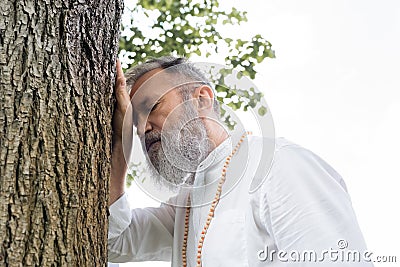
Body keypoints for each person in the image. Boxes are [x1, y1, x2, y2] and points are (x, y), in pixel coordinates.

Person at [108, 56, 373, 266]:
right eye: (135, 119)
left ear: (201, 99)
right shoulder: (186, 204)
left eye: (151, 107)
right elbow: (112, 241)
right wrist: (121, 143)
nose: (142, 128)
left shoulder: (278, 164)